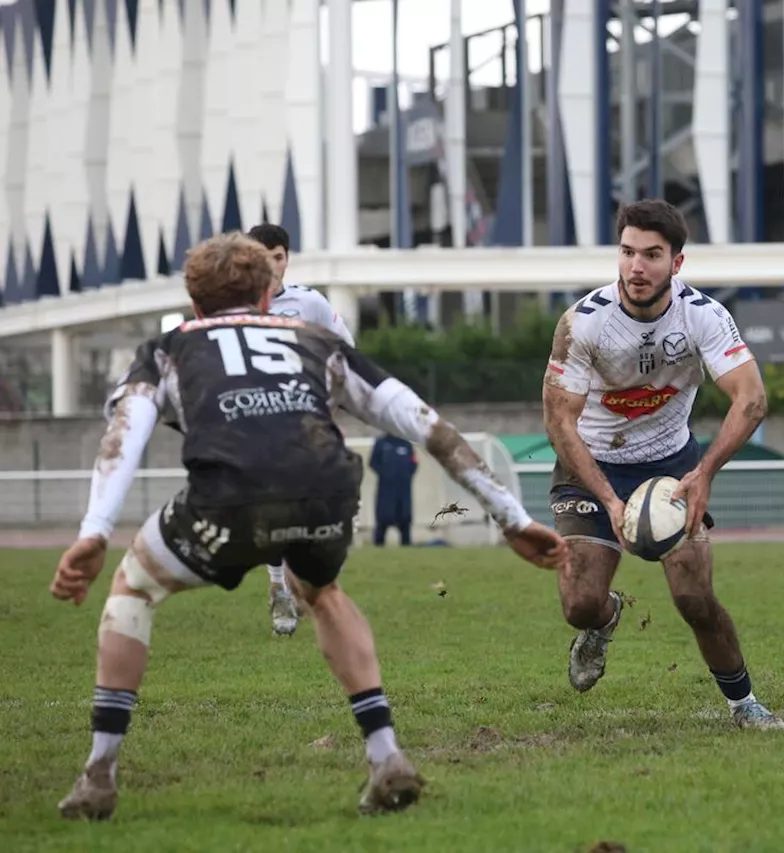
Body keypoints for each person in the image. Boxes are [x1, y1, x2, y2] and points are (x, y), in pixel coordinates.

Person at [50, 233, 569, 820]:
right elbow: (424, 422)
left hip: (227, 499)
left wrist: (94, 531)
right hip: (325, 493)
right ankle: (386, 755)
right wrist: (513, 517)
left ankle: (98, 774)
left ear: (194, 303)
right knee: (321, 591)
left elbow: (123, 436)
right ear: (269, 294)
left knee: (133, 589)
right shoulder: (317, 341)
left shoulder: (168, 349)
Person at [541, 199, 784, 730]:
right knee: (579, 603)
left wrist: (705, 472)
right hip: (591, 464)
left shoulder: (704, 316)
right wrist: (609, 500)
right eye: (628, 252)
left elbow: (751, 399)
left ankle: (744, 704)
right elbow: (559, 422)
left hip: (671, 467)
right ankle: (604, 622)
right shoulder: (583, 324)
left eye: (652, 255)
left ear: (676, 262)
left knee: (695, 598)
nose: (637, 267)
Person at [247, 223, 355, 636]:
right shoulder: (233, 307)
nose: (273, 265)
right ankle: (279, 589)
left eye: (279, 256)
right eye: (264, 256)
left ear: (287, 258)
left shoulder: (307, 303)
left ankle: (300, 578)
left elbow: (346, 351)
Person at [370, 433, 418, 546]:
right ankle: (378, 545)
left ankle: (406, 546)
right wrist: (385, 475)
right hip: (386, 489)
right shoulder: (381, 443)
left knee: (405, 518)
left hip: (403, 490)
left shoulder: (406, 444)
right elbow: (373, 463)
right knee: (383, 517)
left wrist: (406, 476)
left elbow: (414, 463)